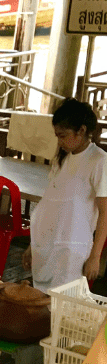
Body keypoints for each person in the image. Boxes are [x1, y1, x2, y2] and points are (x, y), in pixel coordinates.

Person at [22, 98, 107, 292]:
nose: (59, 142)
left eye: (63, 136)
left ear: (82, 130)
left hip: (73, 249)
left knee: (64, 304)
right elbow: (48, 206)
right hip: (48, 244)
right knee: (42, 303)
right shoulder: (62, 160)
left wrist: (95, 256)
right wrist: (32, 245)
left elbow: (105, 213)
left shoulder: (99, 161)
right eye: (57, 136)